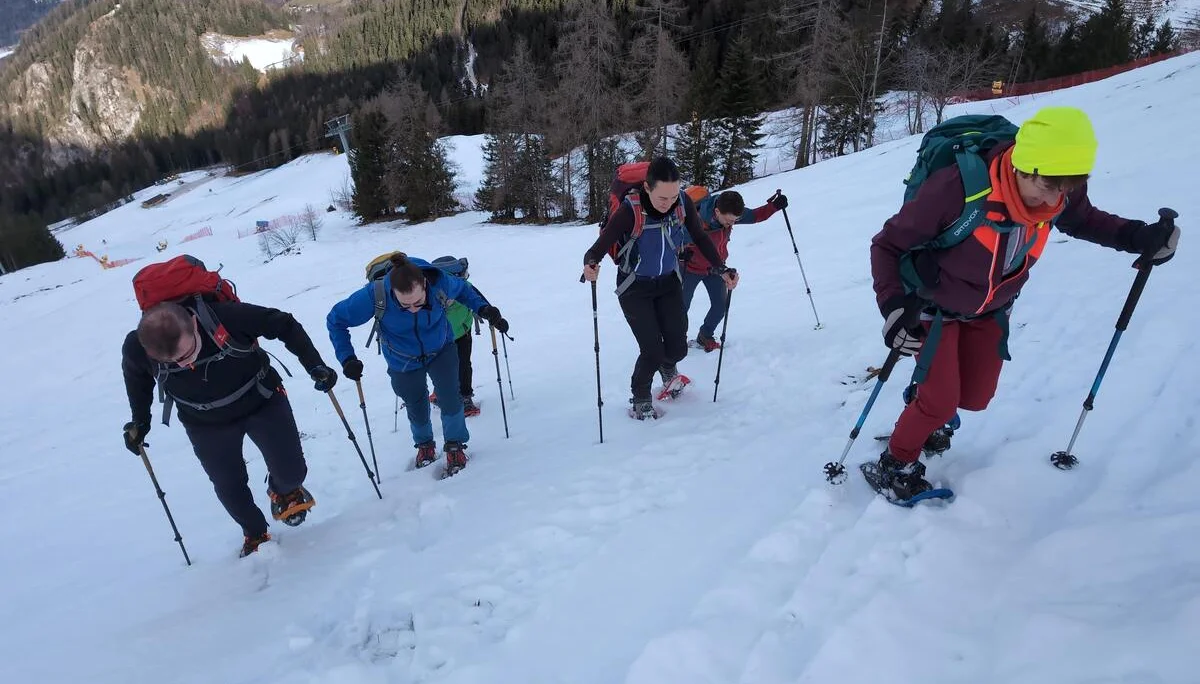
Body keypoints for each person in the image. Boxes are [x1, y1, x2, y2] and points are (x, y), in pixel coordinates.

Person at [869, 106, 1180, 501]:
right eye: (1049, 186)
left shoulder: (1060, 186)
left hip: (992, 308)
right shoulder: (958, 188)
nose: (1055, 199)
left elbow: (1085, 220)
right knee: (941, 401)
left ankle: (927, 404)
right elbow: (888, 244)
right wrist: (893, 305)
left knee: (976, 397)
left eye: (1067, 188)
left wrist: (1138, 237)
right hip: (933, 305)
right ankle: (897, 460)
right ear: (1022, 165)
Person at [121, 300, 336, 558]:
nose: (181, 364)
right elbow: (136, 379)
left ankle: (284, 490)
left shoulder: (226, 317)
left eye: (186, 353)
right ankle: (255, 532)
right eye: (171, 361)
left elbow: (284, 324)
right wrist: (141, 421)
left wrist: (314, 364)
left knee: (292, 472)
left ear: (193, 324)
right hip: (204, 422)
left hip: (261, 399)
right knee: (228, 486)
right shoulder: (137, 347)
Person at [582, 156, 739, 419]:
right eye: (662, 198)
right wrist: (590, 264)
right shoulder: (630, 210)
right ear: (647, 188)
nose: (668, 204)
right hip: (635, 288)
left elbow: (699, 237)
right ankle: (641, 396)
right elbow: (598, 247)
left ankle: (668, 368)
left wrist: (721, 268)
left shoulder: (682, 203)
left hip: (668, 283)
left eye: (673, 196)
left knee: (678, 348)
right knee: (652, 350)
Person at [327, 254, 508, 476]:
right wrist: (347, 358)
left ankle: (455, 445)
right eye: (405, 305)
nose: (413, 308)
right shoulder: (375, 295)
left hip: (441, 348)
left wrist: (483, 308)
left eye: (419, 302)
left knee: (451, 396)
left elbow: (463, 290)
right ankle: (424, 445)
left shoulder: (438, 281)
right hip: (402, 359)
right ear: (393, 291)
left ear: (424, 284)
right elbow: (336, 320)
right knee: (415, 403)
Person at [682, 189, 787, 351]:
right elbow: (673, 240)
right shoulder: (695, 220)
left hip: (716, 269)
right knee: (681, 308)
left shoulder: (729, 211)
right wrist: (682, 251)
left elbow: (755, 216)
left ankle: (705, 335)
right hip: (689, 268)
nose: (732, 224)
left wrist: (774, 207)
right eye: (729, 220)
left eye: (735, 220)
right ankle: (676, 339)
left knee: (720, 305)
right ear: (717, 212)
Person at [428, 255, 483, 417]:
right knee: (463, 365)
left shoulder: (429, 293)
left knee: (442, 368)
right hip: (461, 332)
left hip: (438, 337)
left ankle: (440, 392)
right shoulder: (464, 287)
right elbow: (481, 303)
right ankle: (465, 399)